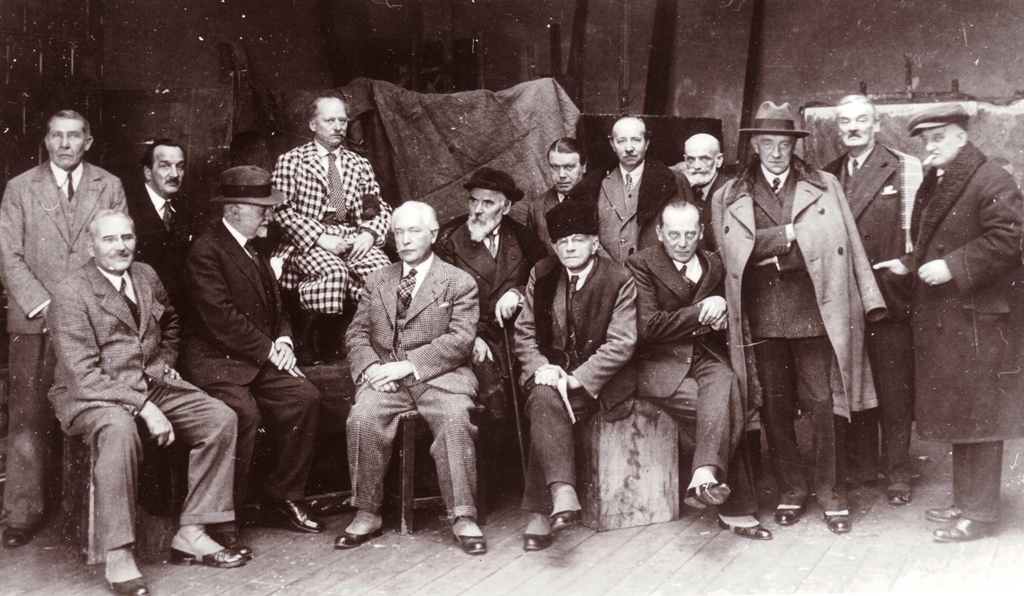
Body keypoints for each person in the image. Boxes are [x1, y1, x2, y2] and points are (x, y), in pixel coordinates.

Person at [48, 210, 245, 596]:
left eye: (127, 237)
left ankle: (192, 531)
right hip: (95, 396)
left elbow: (171, 322)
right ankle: (118, 553)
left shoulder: (145, 275)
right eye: (109, 239)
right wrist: (144, 407)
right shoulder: (71, 292)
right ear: (90, 246)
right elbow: (83, 377)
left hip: (151, 382)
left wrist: (165, 360)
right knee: (120, 431)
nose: (120, 247)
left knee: (219, 418)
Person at [711, 101, 886, 535]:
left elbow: (846, 243)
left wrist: (869, 297)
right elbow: (731, 253)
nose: (776, 153)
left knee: (825, 403)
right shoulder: (728, 194)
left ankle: (832, 493)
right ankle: (791, 490)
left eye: (784, 144)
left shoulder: (824, 185)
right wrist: (788, 237)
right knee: (775, 408)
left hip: (816, 311)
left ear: (794, 146)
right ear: (754, 145)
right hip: (761, 318)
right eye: (767, 143)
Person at [874, 104, 1024, 542]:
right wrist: (908, 264)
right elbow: (932, 240)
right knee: (964, 413)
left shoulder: (991, 178)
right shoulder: (943, 178)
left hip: (979, 323)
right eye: (926, 140)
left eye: (938, 138)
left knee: (981, 417)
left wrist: (953, 267)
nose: (930, 146)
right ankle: (965, 501)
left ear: (962, 136)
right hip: (956, 319)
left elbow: (1010, 239)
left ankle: (979, 514)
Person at [0, 109, 127, 548]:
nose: (65, 144)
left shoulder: (109, 185)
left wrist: (80, 309)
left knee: (94, 407)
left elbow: (116, 250)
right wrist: (47, 305)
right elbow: (7, 255)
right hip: (33, 321)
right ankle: (22, 512)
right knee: (28, 417)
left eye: (74, 136)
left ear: (88, 142)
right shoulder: (20, 188)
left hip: (92, 321)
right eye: (57, 136)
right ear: (46, 141)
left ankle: (87, 514)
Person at [184, 167, 324, 550]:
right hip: (218, 363)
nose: (270, 215)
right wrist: (270, 350)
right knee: (244, 415)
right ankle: (222, 516)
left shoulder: (253, 248)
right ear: (234, 210)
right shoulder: (206, 251)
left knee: (304, 397)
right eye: (262, 208)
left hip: (258, 358)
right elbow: (221, 319)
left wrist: (285, 340)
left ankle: (284, 495)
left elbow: (278, 307)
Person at [338, 201, 485, 554]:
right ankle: (367, 512)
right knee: (362, 418)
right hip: (385, 378)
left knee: (454, 420)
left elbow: (460, 340)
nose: (404, 240)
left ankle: (463, 515)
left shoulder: (458, 282)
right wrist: (371, 369)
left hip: (441, 377)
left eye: (414, 231)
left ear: (433, 234)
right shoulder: (377, 279)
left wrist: (408, 365)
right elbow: (357, 333)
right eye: (399, 232)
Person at [626, 201, 770, 540]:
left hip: (705, 357)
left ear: (701, 232)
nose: (682, 242)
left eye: (690, 234)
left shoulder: (714, 263)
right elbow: (649, 326)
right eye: (673, 234)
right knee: (722, 407)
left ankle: (703, 474)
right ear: (659, 233)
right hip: (660, 365)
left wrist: (723, 313)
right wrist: (705, 309)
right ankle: (735, 508)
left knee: (726, 381)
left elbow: (731, 316)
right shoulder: (640, 264)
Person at [513, 199, 637, 551]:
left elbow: (621, 343)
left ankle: (543, 509)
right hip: (549, 372)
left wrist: (574, 378)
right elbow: (524, 333)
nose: (569, 248)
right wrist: (541, 368)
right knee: (543, 395)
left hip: (598, 381)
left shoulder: (619, 279)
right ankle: (563, 492)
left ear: (594, 243)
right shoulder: (543, 273)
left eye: (578, 240)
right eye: (562, 242)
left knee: (545, 402)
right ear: (554, 246)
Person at [822, 95, 923, 505]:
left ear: (877, 125)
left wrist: (905, 267)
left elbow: (924, 231)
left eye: (861, 120)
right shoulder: (828, 174)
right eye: (845, 121)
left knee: (894, 388)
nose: (853, 127)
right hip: (845, 296)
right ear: (837, 128)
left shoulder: (904, 167)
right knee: (855, 381)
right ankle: (863, 467)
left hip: (889, 296)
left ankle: (897, 472)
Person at [436, 166, 547, 485]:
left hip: (516, 335)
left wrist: (518, 292)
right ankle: (485, 487)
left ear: (506, 206)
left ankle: (524, 483)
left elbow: (545, 280)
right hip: (470, 337)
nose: (478, 210)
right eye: (474, 201)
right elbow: (438, 299)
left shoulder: (524, 239)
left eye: (488, 203)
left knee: (533, 393)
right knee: (490, 401)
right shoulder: (450, 239)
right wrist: (469, 337)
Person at [271, 90, 392, 320]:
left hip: (351, 239)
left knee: (383, 275)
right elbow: (279, 210)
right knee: (334, 273)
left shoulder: (360, 164)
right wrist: (319, 237)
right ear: (313, 124)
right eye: (329, 121)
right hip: (306, 244)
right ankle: (312, 333)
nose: (338, 127)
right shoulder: (292, 161)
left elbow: (376, 208)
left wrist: (369, 234)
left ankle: (358, 331)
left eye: (342, 121)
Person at [570, 116, 692, 263]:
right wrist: (612, 271)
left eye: (636, 140)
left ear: (646, 143)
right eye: (622, 141)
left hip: (656, 273)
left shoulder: (675, 181)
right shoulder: (594, 184)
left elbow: (691, 233)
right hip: (609, 273)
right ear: (612, 144)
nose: (629, 148)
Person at [126, 139, 193, 320]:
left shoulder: (184, 211)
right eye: (165, 166)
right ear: (148, 172)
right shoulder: (128, 208)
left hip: (177, 315)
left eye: (180, 167)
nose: (175, 174)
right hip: (141, 312)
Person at [525, 138, 587, 253]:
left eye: (569, 167)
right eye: (555, 167)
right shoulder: (536, 208)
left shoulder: (601, 201)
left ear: (584, 167)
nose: (561, 175)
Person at [674, 133, 727, 251]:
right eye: (691, 159)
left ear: (719, 160)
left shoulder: (730, 191)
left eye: (704, 159)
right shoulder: (682, 188)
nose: (697, 166)